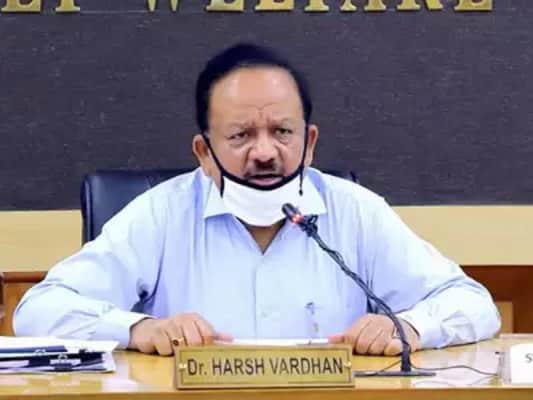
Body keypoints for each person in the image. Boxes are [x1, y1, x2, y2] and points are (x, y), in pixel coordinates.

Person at [14, 43, 500, 356]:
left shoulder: (355, 211)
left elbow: (473, 304)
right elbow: (39, 310)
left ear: (310, 142)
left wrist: (411, 327)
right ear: (204, 153)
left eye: (282, 132)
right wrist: (139, 329)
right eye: (241, 135)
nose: (265, 153)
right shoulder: (160, 213)